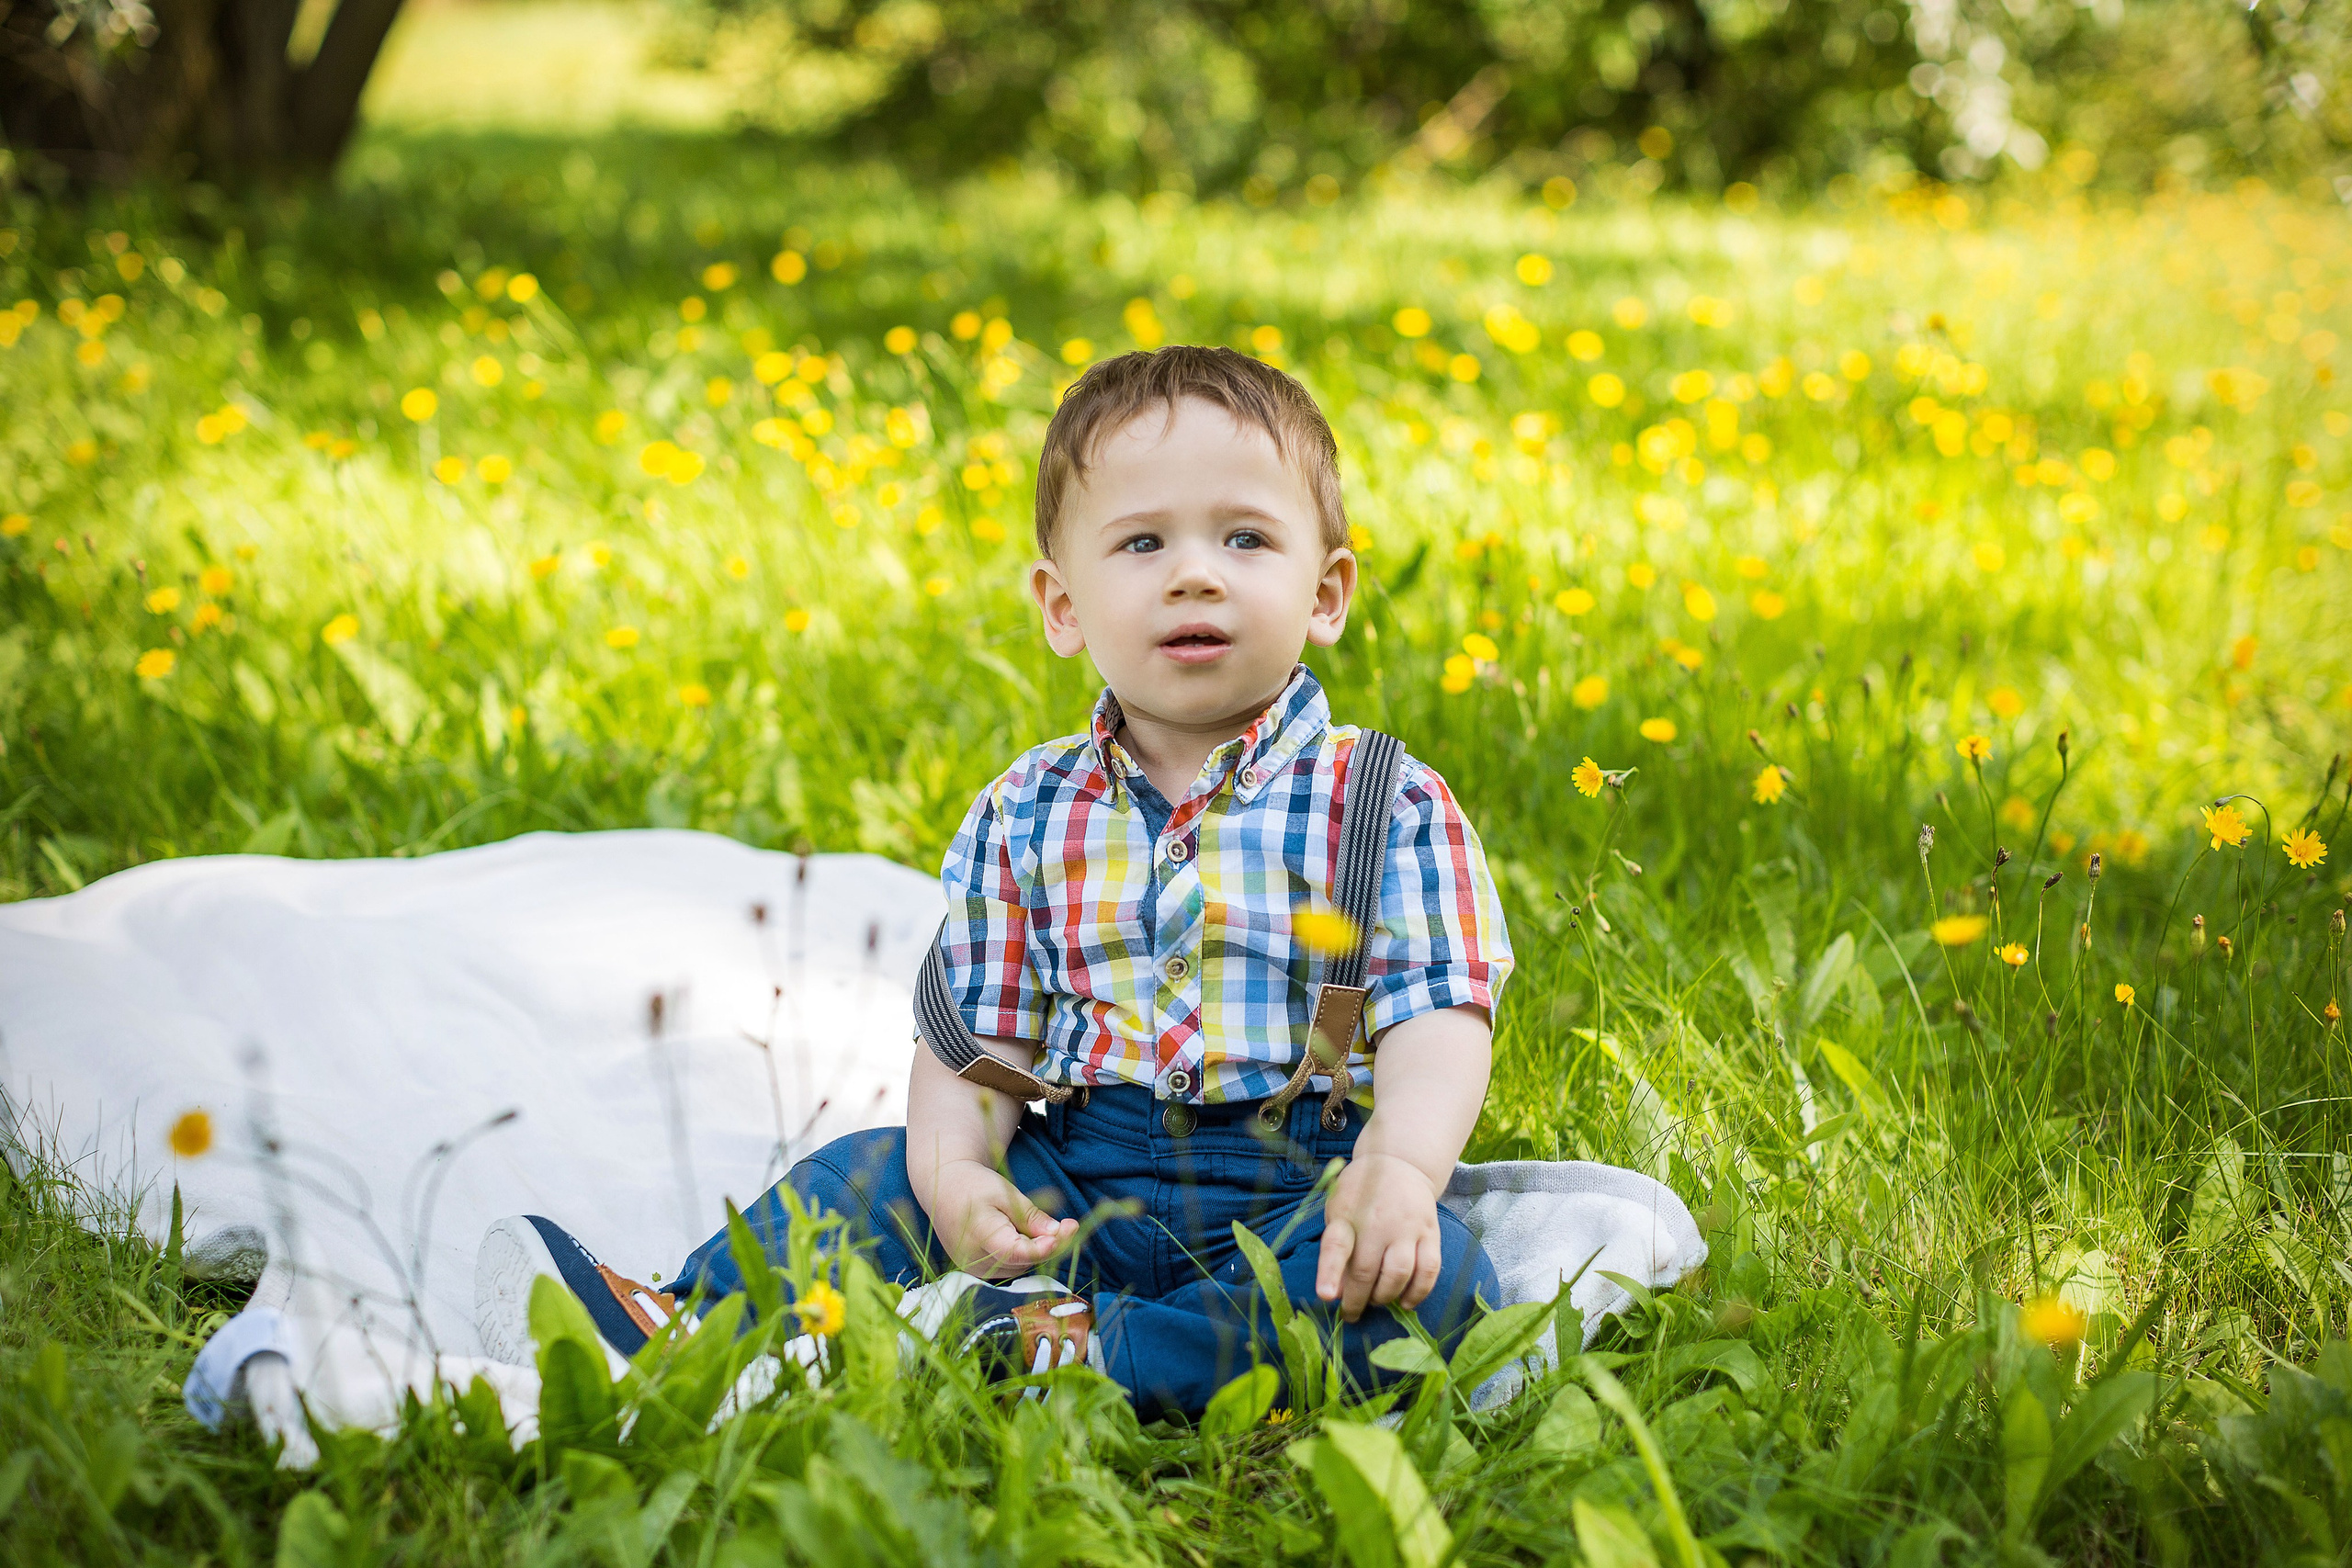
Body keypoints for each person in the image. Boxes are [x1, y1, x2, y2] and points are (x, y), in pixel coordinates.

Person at [476, 345, 1513, 1421]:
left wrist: (1397, 1165)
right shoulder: (1026, 811)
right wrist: (961, 1174)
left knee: (1435, 1285)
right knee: (864, 1175)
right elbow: (978, 1039)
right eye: (1143, 542)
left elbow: (1437, 1012)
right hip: (1072, 1174)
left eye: (1244, 538)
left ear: (1326, 592)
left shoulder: (1386, 800)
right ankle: (679, 1326)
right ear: (1063, 608)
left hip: (1293, 1182)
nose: (1194, 572)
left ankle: (1071, 1354)